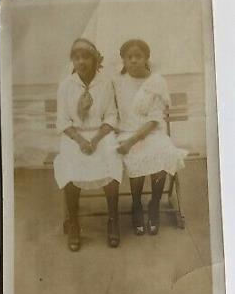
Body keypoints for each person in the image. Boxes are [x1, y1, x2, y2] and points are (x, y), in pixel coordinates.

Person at [54, 38, 122, 251]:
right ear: (72, 61)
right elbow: (63, 121)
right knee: (70, 165)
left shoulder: (105, 83)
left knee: (112, 159)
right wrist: (81, 140)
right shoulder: (66, 85)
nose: (81, 62)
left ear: (95, 60)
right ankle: (74, 222)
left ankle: (113, 220)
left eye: (86, 57)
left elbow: (111, 116)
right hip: (74, 136)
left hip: (100, 135)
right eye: (77, 57)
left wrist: (94, 139)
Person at [113, 39, 187, 235]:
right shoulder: (118, 82)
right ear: (123, 60)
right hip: (127, 132)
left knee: (161, 153)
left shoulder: (157, 82)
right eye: (129, 57)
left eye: (138, 56)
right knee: (135, 156)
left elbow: (155, 120)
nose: (134, 61)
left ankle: (154, 204)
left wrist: (131, 141)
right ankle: (136, 205)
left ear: (146, 58)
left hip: (151, 131)